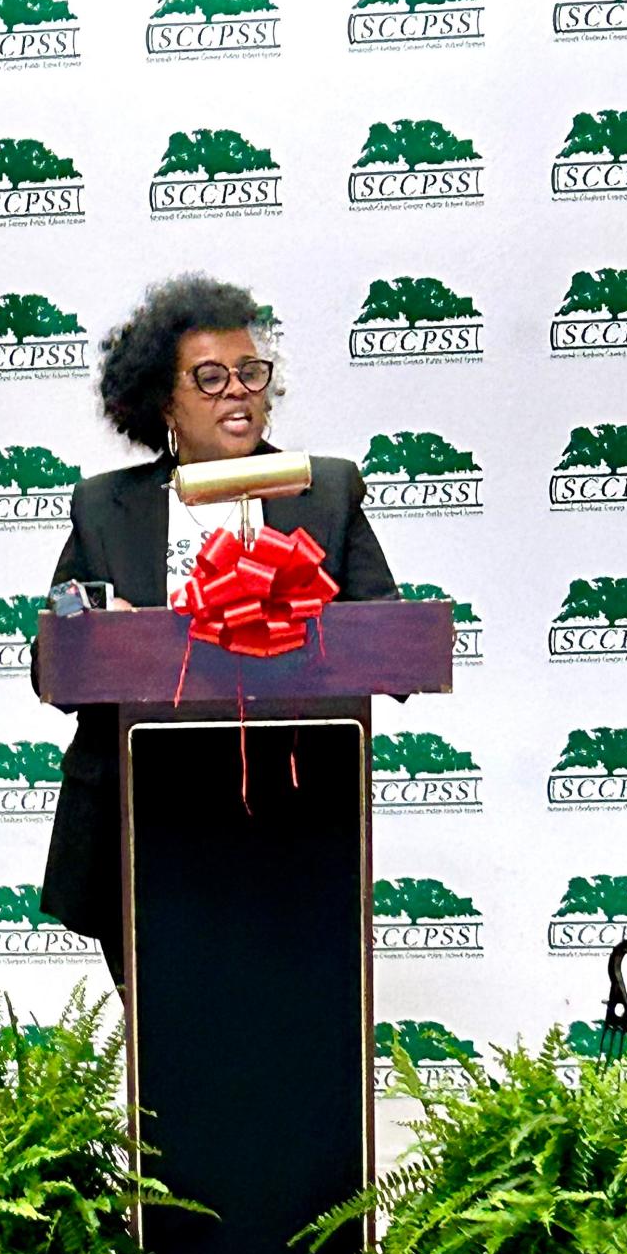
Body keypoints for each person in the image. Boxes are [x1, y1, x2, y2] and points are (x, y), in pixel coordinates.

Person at [31, 272, 398, 988]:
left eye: (251, 373)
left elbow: (383, 634)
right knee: (174, 1059)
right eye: (209, 377)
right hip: (141, 828)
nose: (238, 390)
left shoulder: (325, 491)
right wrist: (115, 636)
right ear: (163, 400)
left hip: (292, 821)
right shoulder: (107, 508)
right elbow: (54, 664)